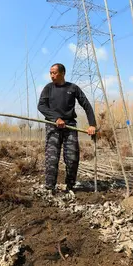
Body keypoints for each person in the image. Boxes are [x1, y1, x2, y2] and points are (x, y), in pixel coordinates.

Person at [38, 63, 96, 194]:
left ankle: (70, 186)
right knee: (52, 158)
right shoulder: (48, 88)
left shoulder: (73, 88)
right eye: (50, 73)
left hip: (70, 126)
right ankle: (49, 188)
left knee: (72, 158)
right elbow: (41, 106)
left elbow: (86, 105)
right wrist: (55, 119)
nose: (52, 75)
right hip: (53, 126)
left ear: (62, 73)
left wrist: (92, 124)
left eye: (54, 73)